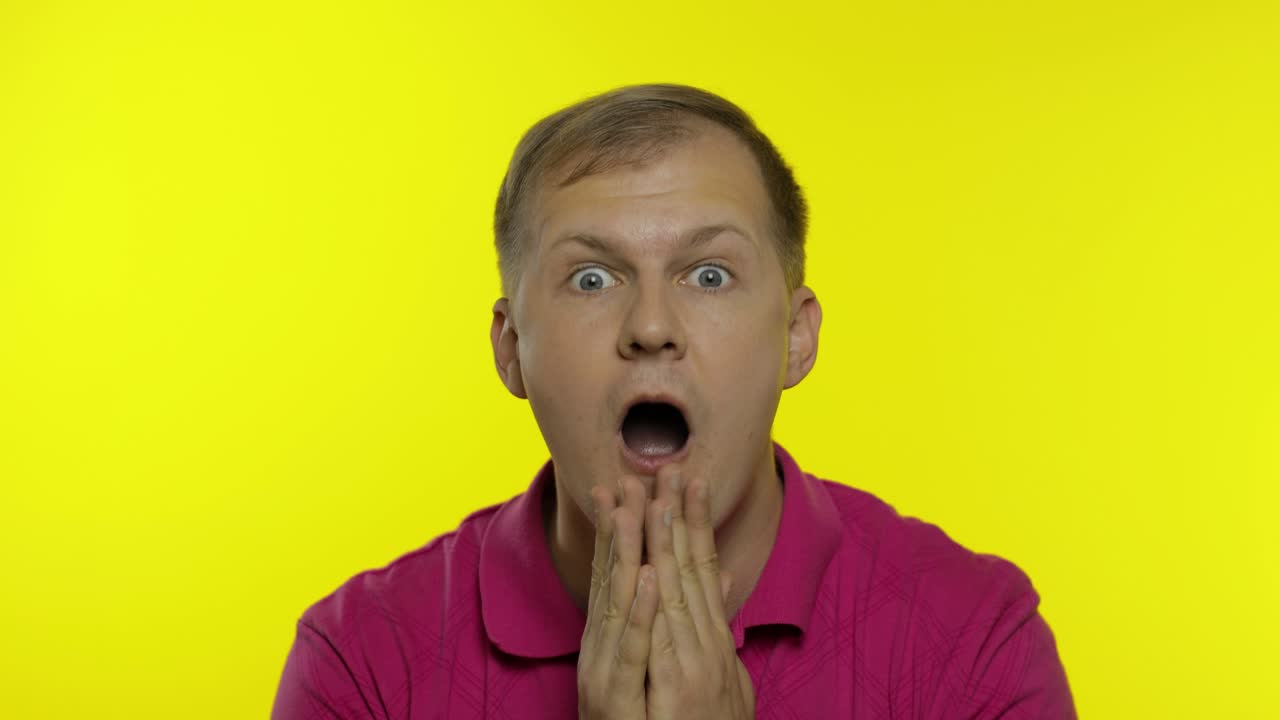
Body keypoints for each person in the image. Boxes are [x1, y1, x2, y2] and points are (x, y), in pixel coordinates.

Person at [271, 83, 1076, 719]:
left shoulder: (974, 640)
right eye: (592, 278)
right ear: (512, 347)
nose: (651, 326)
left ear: (794, 338)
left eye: (708, 274)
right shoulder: (363, 663)